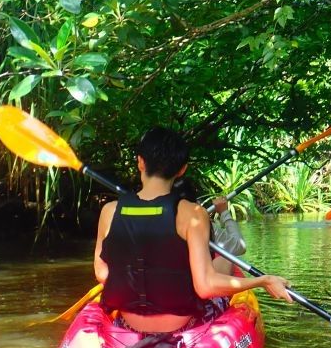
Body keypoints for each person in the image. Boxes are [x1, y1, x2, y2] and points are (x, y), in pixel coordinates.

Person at [94, 126, 291, 335]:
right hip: (181, 325)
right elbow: (205, 286)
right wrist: (263, 280)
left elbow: (102, 273)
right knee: (223, 261)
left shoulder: (109, 211)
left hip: (129, 323)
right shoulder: (193, 214)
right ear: (182, 170)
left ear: (140, 162)